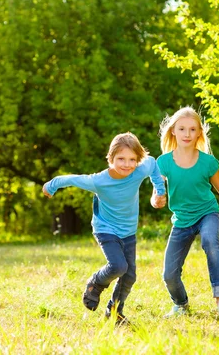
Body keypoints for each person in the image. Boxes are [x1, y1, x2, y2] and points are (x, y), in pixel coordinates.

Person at [43, 132, 167, 323]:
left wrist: (159, 190)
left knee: (130, 275)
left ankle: (114, 312)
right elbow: (71, 179)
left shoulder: (141, 168)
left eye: (132, 159)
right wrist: (51, 186)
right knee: (118, 266)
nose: (127, 164)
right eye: (121, 159)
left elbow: (153, 165)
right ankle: (95, 283)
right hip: (105, 228)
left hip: (128, 231)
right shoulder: (99, 181)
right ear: (111, 158)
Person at [151, 106, 219, 319]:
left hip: (208, 213)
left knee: (210, 241)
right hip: (181, 221)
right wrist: (157, 200)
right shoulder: (163, 162)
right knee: (169, 274)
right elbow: (157, 194)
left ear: (199, 133)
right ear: (173, 131)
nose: (187, 134)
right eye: (182, 129)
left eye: (192, 129)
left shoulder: (207, 162)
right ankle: (181, 304)